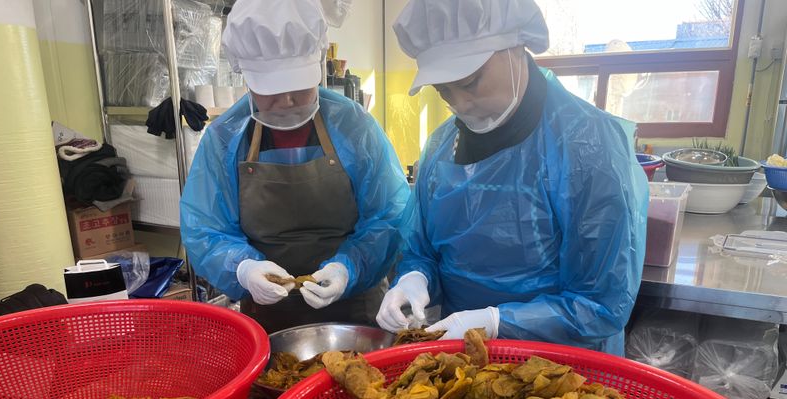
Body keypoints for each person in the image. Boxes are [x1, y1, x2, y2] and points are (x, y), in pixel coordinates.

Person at [376, 0, 648, 356]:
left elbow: (601, 305)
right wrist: (414, 278)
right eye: (443, 91)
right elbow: (421, 248)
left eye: (470, 82)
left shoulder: (588, 145)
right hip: (466, 359)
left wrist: (495, 322)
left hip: (566, 374)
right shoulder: (441, 148)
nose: (460, 103)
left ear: (516, 47)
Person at [180, 0, 409, 333]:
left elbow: (389, 216)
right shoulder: (226, 139)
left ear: (317, 66)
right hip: (268, 317)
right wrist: (243, 269)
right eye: (271, 90)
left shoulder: (353, 127)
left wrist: (349, 268)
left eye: (299, 86)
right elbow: (205, 230)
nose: (286, 101)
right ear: (246, 78)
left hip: (356, 311)